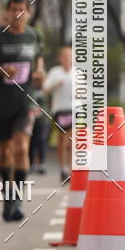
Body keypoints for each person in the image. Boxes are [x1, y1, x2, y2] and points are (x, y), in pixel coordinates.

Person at [0, 0, 44, 222]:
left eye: (21, 10)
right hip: (0, 104)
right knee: (3, 153)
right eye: (14, 9)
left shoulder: (33, 36)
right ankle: (8, 196)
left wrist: (40, 73)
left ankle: (17, 199)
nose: (17, 14)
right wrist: (1, 70)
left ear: (28, 12)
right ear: (8, 11)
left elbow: (39, 60)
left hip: (25, 103)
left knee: (22, 148)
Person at [43, 45, 73, 181]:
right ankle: (63, 168)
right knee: (63, 140)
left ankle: (71, 168)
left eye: (70, 56)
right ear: (60, 58)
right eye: (65, 56)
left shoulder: (77, 73)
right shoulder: (55, 72)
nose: (68, 58)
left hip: (75, 110)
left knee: (72, 140)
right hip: (60, 110)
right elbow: (45, 89)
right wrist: (56, 85)